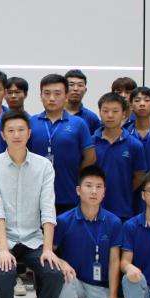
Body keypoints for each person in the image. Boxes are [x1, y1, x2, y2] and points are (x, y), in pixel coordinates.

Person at [0, 112, 63, 298]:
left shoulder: (44, 165)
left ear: (29, 133)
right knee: (5, 272)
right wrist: (3, 250)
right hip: (2, 239)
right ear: (3, 134)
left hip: (32, 238)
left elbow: (48, 208)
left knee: (54, 273)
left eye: (21, 130)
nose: (16, 135)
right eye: (11, 130)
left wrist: (48, 249)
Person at [51, 166, 126, 298]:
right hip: (74, 282)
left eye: (99, 187)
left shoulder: (113, 222)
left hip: (100, 287)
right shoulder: (64, 220)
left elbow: (115, 262)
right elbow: (48, 252)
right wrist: (62, 262)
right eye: (89, 185)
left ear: (104, 192)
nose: (94, 191)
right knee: (58, 271)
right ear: (78, 190)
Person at [28, 74, 96, 214]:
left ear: (66, 97)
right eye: (47, 93)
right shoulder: (31, 122)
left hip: (68, 193)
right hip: (36, 195)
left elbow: (90, 157)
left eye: (57, 94)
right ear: (40, 96)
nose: (52, 98)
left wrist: (76, 176)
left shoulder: (78, 123)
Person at [92, 93, 147, 221]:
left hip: (123, 208)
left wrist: (124, 189)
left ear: (124, 114)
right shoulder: (90, 143)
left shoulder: (135, 145)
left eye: (115, 111)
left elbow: (139, 175)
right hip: (94, 208)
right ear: (100, 112)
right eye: (105, 111)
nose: (110, 115)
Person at [64, 69, 102, 133]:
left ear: (85, 90)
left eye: (80, 85)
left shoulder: (92, 118)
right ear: (64, 89)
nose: (76, 89)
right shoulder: (55, 114)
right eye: (71, 85)